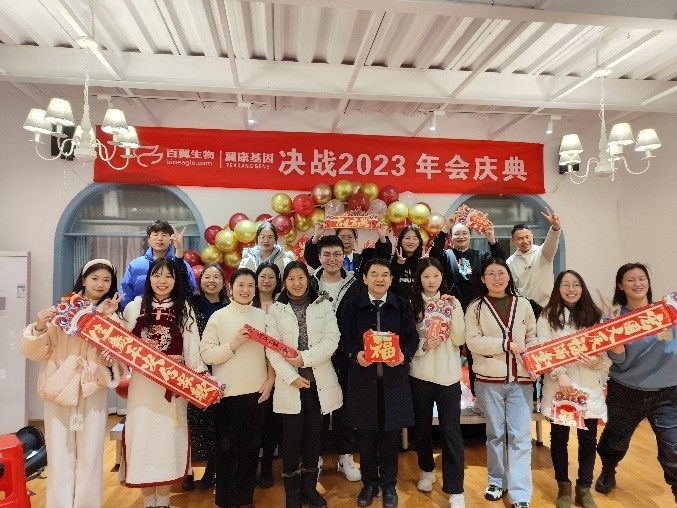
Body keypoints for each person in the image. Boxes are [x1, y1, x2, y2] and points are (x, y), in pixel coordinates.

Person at [21, 259, 125, 508]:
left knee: (91, 457)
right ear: (84, 279)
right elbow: (37, 352)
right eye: (95, 278)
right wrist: (39, 327)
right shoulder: (63, 311)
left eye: (106, 280)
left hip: (92, 390)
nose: (100, 284)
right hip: (58, 390)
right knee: (59, 456)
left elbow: (118, 360)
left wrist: (109, 330)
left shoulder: (113, 317)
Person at [121, 258, 206, 508]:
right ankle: (149, 503)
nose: (162, 281)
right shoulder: (134, 307)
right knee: (143, 441)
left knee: (167, 442)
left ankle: (164, 502)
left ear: (176, 281)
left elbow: (193, 349)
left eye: (168, 276)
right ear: (148, 279)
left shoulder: (184, 309)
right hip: (142, 388)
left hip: (173, 387)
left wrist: (199, 379)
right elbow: (122, 345)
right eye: (157, 275)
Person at [338, 258, 418, 508]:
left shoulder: (402, 305)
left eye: (385, 274)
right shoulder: (352, 305)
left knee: (390, 437)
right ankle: (369, 484)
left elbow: (412, 337)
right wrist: (355, 354)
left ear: (391, 279)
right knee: (366, 436)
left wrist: (404, 355)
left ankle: (389, 485)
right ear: (365, 278)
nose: (379, 279)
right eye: (374, 274)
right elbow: (343, 337)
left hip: (393, 382)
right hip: (363, 382)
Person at [595, 263, 677, 503]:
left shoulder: (668, 310)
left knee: (673, 446)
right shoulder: (614, 318)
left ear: (648, 283)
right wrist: (615, 337)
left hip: (668, 391)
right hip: (627, 390)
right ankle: (609, 470)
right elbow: (619, 360)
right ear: (620, 286)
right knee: (615, 441)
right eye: (630, 280)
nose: (637, 283)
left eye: (642, 278)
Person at [266, 261, 344, 508]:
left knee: (313, 438)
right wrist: (291, 376)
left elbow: (332, 339)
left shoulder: (323, 304)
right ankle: (292, 493)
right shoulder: (276, 310)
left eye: (301, 278)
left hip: (317, 384)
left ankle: (309, 489)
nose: (297, 283)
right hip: (290, 384)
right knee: (290, 440)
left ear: (308, 280)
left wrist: (305, 359)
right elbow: (272, 348)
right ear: (284, 282)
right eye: (291, 279)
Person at [464, 258, 537, 508]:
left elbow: (532, 336)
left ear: (509, 276)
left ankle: (520, 493)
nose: (497, 278)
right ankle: (496, 481)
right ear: (482, 279)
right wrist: (505, 345)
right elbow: (472, 341)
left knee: (520, 436)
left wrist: (535, 362)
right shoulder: (475, 307)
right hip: (488, 381)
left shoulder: (523, 304)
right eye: (491, 274)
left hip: (522, 381)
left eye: (501, 273)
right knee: (495, 434)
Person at [200, 268, 276, 508]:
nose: (246, 290)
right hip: (227, 395)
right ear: (230, 288)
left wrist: (270, 381)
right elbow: (206, 354)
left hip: (257, 393)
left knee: (251, 450)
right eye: (240, 285)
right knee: (226, 449)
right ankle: (225, 500)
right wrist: (234, 344)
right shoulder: (219, 317)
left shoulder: (263, 316)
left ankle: (245, 499)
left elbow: (271, 354)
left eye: (250, 285)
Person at [537, 270, 609, 508]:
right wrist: (560, 374)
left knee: (588, 440)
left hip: (588, 387)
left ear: (582, 288)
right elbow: (544, 348)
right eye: (565, 285)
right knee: (559, 439)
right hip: (560, 387)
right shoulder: (547, 316)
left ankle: (584, 488)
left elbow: (605, 352)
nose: (571, 289)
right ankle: (564, 487)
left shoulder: (594, 314)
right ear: (558, 289)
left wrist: (597, 362)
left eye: (576, 284)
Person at [409, 258, 466, 508]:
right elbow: (408, 341)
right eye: (426, 276)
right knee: (421, 429)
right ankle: (427, 469)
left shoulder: (453, 302)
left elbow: (460, 338)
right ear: (419, 279)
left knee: (451, 432)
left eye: (435, 276)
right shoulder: (412, 304)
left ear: (442, 277)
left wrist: (451, 312)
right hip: (420, 376)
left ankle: (456, 489)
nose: (431, 281)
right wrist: (424, 344)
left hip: (448, 377)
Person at [430, 218, 505, 394]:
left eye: (464, 233)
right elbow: (433, 255)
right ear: (451, 237)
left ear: (470, 236)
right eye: (456, 233)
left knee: (476, 354)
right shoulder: (446, 255)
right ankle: (450, 394)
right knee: (450, 353)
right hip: (451, 311)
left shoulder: (481, 256)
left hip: (477, 310)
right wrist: (445, 229)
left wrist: (492, 240)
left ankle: (477, 395)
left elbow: (499, 263)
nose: (461, 236)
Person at [183, 264, 230, 491]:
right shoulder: (190, 305)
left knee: (219, 424)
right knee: (197, 423)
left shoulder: (229, 307)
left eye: (216, 277)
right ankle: (188, 471)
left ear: (224, 282)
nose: (211, 281)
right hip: (195, 370)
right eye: (207, 277)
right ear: (200, 282)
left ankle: (214, 469)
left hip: (223, 370)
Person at [120, 220, 197, 310]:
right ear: (148, 239)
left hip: (172, 314)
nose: (160, 238)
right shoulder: (135, 265)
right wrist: (128, 313)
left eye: (164, 235)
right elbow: (125, 294)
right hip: (139, 314)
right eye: (155, 234)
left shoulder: (181, 265)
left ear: (170, 239)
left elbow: (190, 291)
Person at [253, 261, 283, 489]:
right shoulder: (247, 302)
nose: (266, 281)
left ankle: (266, 467)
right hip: (251, 370)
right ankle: (249, 466)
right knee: (253, 421)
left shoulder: (282, 304)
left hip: (278, 372)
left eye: (271, 277)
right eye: (262, 276)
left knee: (272, 423)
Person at [506, 210, 562, 314]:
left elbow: (552, 241)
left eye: (527, 237)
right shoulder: (510, 262)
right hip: (523, 309)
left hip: (547, 306)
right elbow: (511, 288)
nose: (525, 241)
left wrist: (555, 227)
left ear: (532, 236)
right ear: (513, 241)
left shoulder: (543, 252)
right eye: (520, 238)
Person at [390, 225, 430, 300]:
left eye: (415, 238)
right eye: (407, 238)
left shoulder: (424, 261)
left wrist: (424, 265)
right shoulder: (392, 260)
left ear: (419, 242)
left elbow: (428, 285)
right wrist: (399, 265)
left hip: (419, 304)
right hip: (397, 304)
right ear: (401, 241)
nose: (411, 242)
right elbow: (389, 286)